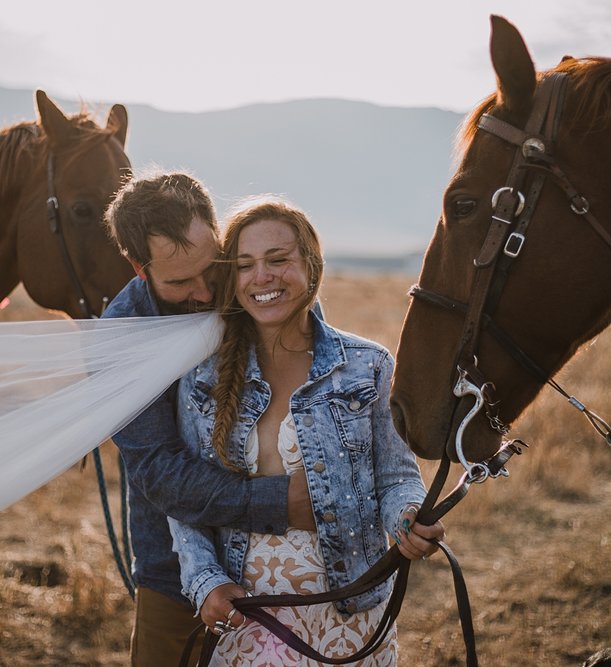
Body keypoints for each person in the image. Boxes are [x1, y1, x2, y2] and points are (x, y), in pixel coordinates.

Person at [170, 199, 443, 665]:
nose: (262, 277)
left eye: (278, 259)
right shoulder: (202, 377)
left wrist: (407, 519)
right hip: (248, 618)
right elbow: (187, 500)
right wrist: (206, 582)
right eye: (245, 265)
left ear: (311, 266)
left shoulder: (367, 366)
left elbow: (397, 477)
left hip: (352, 614)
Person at [102, 173, 317, 666]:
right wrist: (279, 500)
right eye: (179, 282)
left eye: (211, 268)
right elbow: (159, 472)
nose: (204, 292)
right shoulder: (121, 336)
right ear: (139, 268)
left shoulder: (256, 286)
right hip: (173, 571)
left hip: (283, 562)